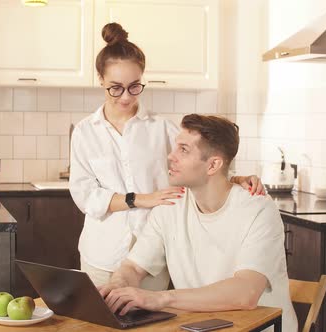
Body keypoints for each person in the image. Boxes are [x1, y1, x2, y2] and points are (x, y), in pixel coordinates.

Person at [69, 23, 264, 291]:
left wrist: (236, 179)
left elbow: (197, 166)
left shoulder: (162, 129)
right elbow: (85, 195)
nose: (126, 97)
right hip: (101, 256)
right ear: (100, 79)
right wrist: (141, 199)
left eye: (134, 86)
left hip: (154, 256)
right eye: (115, 87)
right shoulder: (84, 132)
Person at [98, 114, 298, 332]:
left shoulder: (258, 209)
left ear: (213, 165)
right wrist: (118, 286)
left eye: (183, 150)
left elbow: (246, 293)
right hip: (202, 327)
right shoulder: (170, 206)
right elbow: (134, 267)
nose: (170, 156)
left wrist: (160, 299)